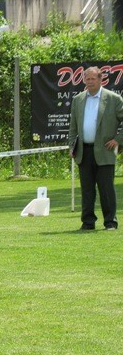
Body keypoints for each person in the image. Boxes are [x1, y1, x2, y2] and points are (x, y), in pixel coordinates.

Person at [69, 66, 123, 231]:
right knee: (87, 189)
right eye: (87, 79)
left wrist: (118, 140)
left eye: (93, 79)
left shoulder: (113, 99)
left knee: (106, 189)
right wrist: (72, 146)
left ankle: (110, 222)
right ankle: (88, 222)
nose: (90, 82)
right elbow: (73, 127)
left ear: (101, 80)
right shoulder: (78, 100)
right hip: (84, 151)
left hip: (105, 151)